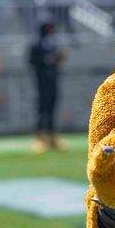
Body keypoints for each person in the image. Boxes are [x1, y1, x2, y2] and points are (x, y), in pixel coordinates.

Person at [28, 18, 65, 151]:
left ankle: (52, 137)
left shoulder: (52, 42)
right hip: (42, 81)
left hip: (53, 80)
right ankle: (39, 138)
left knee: (52, 109)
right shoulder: (36, 44)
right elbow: (32, 60)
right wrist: (49, 59)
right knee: (42, 110)